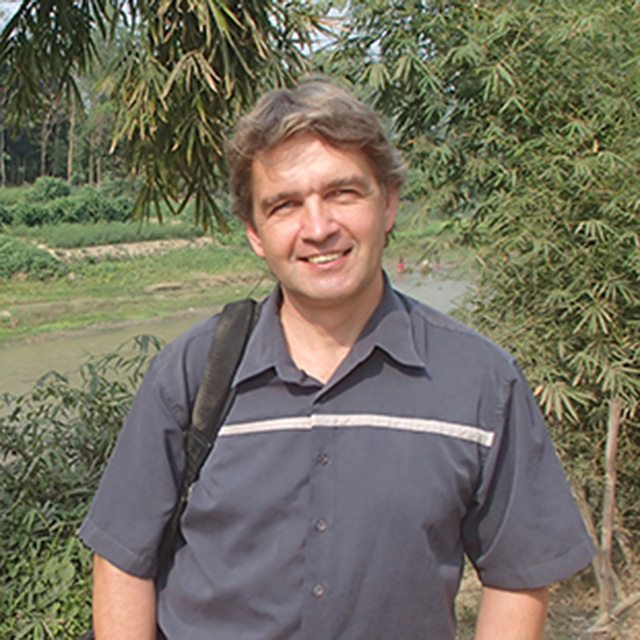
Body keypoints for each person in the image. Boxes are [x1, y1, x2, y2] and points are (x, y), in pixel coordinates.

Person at [80, 78, 595, 639]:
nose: (319, 228)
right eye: (285, 205)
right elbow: (123, 560)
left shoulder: (480, 383)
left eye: (343, 193)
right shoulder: (192, 375)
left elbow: (516, 576)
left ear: (389, 202)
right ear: (255, 232)